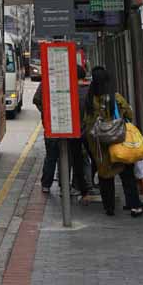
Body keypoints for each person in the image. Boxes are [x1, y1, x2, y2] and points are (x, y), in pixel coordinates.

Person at [83, 66, 143, 217]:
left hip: (100, 146)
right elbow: (129, 113)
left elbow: (86, 122)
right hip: (118, 141)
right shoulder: (115, 97)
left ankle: (109, 208)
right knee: (127, 174)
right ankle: (134, 205)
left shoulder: (90, 100)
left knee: (105, 176)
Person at [32, 65, 89, 197]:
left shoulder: (46, 82)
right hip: (66, 125)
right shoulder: (70, 85)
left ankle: (47, 184)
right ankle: (66, 186)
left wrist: (45, 112)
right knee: (67, 156)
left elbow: (36, 99)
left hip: (51, 125)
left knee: (51, 156)